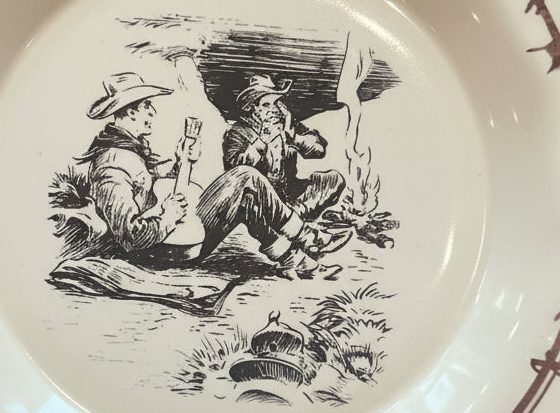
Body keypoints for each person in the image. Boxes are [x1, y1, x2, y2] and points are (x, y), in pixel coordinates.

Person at [53, 72, 344, 278]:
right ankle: (307, 236)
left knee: (247, 198)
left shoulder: (129, 152)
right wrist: (168, 216)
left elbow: (154, 191)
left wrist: (182, 163)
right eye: (146, 107)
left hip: (177, 237)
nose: (152, 113)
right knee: (245, 176)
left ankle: (295, 260)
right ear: (128, 113)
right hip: (164, 249)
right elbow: (131, 237)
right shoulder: (111, 166)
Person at [222, 75, 349, 234]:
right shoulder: (238, 132)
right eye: (266, 104)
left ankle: (294, 214)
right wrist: (262, 141)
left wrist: (293, 137)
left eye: (276, 102)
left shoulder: (286, 124)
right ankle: (291, 221)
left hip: (288, 191)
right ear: (253, 107)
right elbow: (236, 169)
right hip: (259, 196)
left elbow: (319, 150)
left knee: (333, 179)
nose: (273, 109)